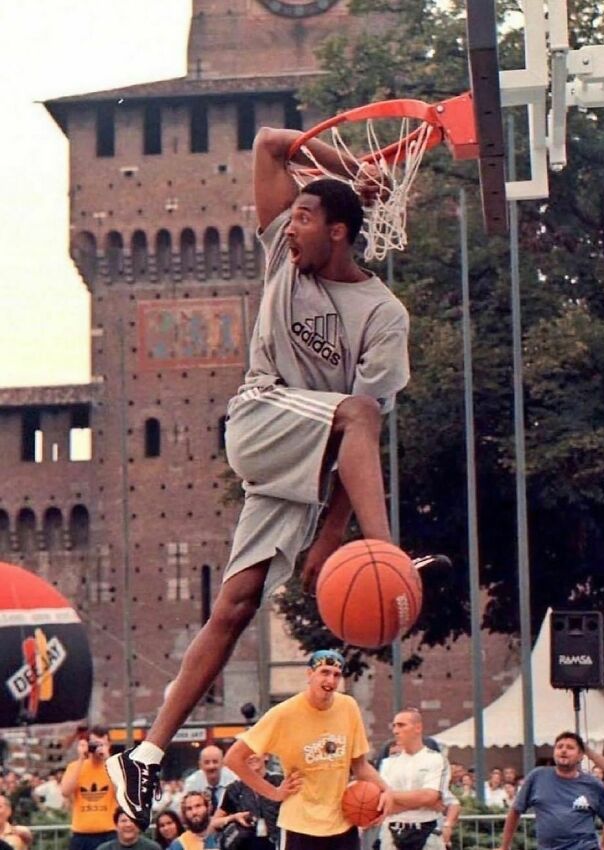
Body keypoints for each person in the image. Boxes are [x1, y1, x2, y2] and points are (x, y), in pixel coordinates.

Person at [106, 123, 449, 829]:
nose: (288, 226)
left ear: (341, 233)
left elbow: (363, 437)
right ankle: (389, 550)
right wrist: (354, 167)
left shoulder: (384, 317)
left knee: (235, 605)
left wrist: (333, 537)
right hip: (263, 415)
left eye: (305, 218)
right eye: (289, 216)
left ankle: (143, 754)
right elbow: (268, 143)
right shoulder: (283, 259)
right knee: (351, 412)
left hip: (310, 457)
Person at [224, 648, 392, 850]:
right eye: (324, 672)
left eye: (336, 675)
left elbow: (360, 765)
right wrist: (274, 793)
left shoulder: (348, 707)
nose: (330, 680)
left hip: (343, 823)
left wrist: (387, 790)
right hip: (300, 825)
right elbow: (233, 758)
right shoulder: (284, 713)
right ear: (309, 674)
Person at [498, 731, 604, 850]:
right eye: (559, 747)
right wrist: (504, 846)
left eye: (570, 748)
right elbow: (515, 811)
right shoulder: (537, 776)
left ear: (581, 756)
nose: (564, 750)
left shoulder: (593, 784)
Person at [379, 708, 450, 850]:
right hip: (392, 834)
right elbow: (383, 805)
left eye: (401, 725)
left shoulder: (436, 759)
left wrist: (391, 796)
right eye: (394, 726)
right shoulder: (387, 763)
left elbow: (430, 796)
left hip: (427, 832)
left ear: (418, 728)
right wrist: (421, 801)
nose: (395, 731)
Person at [61, 726, 118, 850]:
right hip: (81, 835)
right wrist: (81, 758)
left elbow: (122, 793)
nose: (97, 747)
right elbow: (65, 791)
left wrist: (107, 759)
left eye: (102, 744)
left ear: (109, 744)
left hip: (109, 833)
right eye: (94, 744)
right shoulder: (75, 767)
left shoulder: (116, 767)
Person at [211, 752, 281, 848]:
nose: (251, 756)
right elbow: (215, 822)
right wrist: (234, 817)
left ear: (266, 756)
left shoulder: (280, 783)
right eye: (247, 754)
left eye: (254, 752)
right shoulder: (234, 789)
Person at [95, 809, 161, 850]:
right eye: (123, 821)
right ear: (116, 826)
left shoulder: (153, 848)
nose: (128, 825)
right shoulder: (104, 848)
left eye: (133, 821)